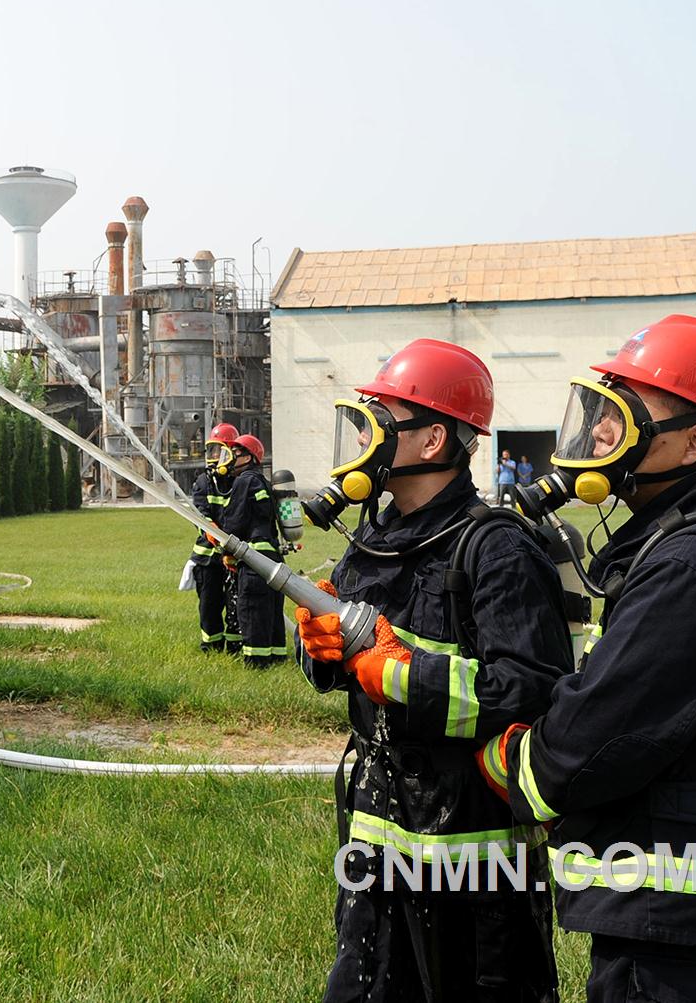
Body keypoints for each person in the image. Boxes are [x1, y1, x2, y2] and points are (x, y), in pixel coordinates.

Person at [473, 314, 696, 1003]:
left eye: (624, 412)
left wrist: (511, 759)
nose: (598, 431)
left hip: (672, 934)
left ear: (695, 441)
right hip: (678, 924)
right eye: (600, 409)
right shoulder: (684, 547)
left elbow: (589, 743)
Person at [292, 338, 569, 1003]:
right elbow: (350, 675)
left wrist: (398, 671)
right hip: (376, 841)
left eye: (380, 420)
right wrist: (320, 651)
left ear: (430, 439)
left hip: (478, 867)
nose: (363, 437)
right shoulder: (369, 544)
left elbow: (530, 692)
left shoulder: (497, 549)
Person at [216, 433, 284, 668]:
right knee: (271, 611)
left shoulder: (244, 481)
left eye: (236, 454)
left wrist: (227, 551)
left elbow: (234, 522)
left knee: (252, 610)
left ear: (250, 457)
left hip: (254, 559)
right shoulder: (263, 481)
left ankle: (257, 663)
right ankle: (276, 657)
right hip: (273, 558)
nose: (231, 459)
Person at [189, 423, 243, 654]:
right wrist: (209, 529)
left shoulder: (242, 482)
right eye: (211, 451)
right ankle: (211, 646)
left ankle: (234, 645)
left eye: (219, 451)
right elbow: (199, 513)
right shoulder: (203, 481)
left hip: (233, 557)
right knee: (209, 604)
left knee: (236, 603)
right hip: (207, 558)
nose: (214, 458)